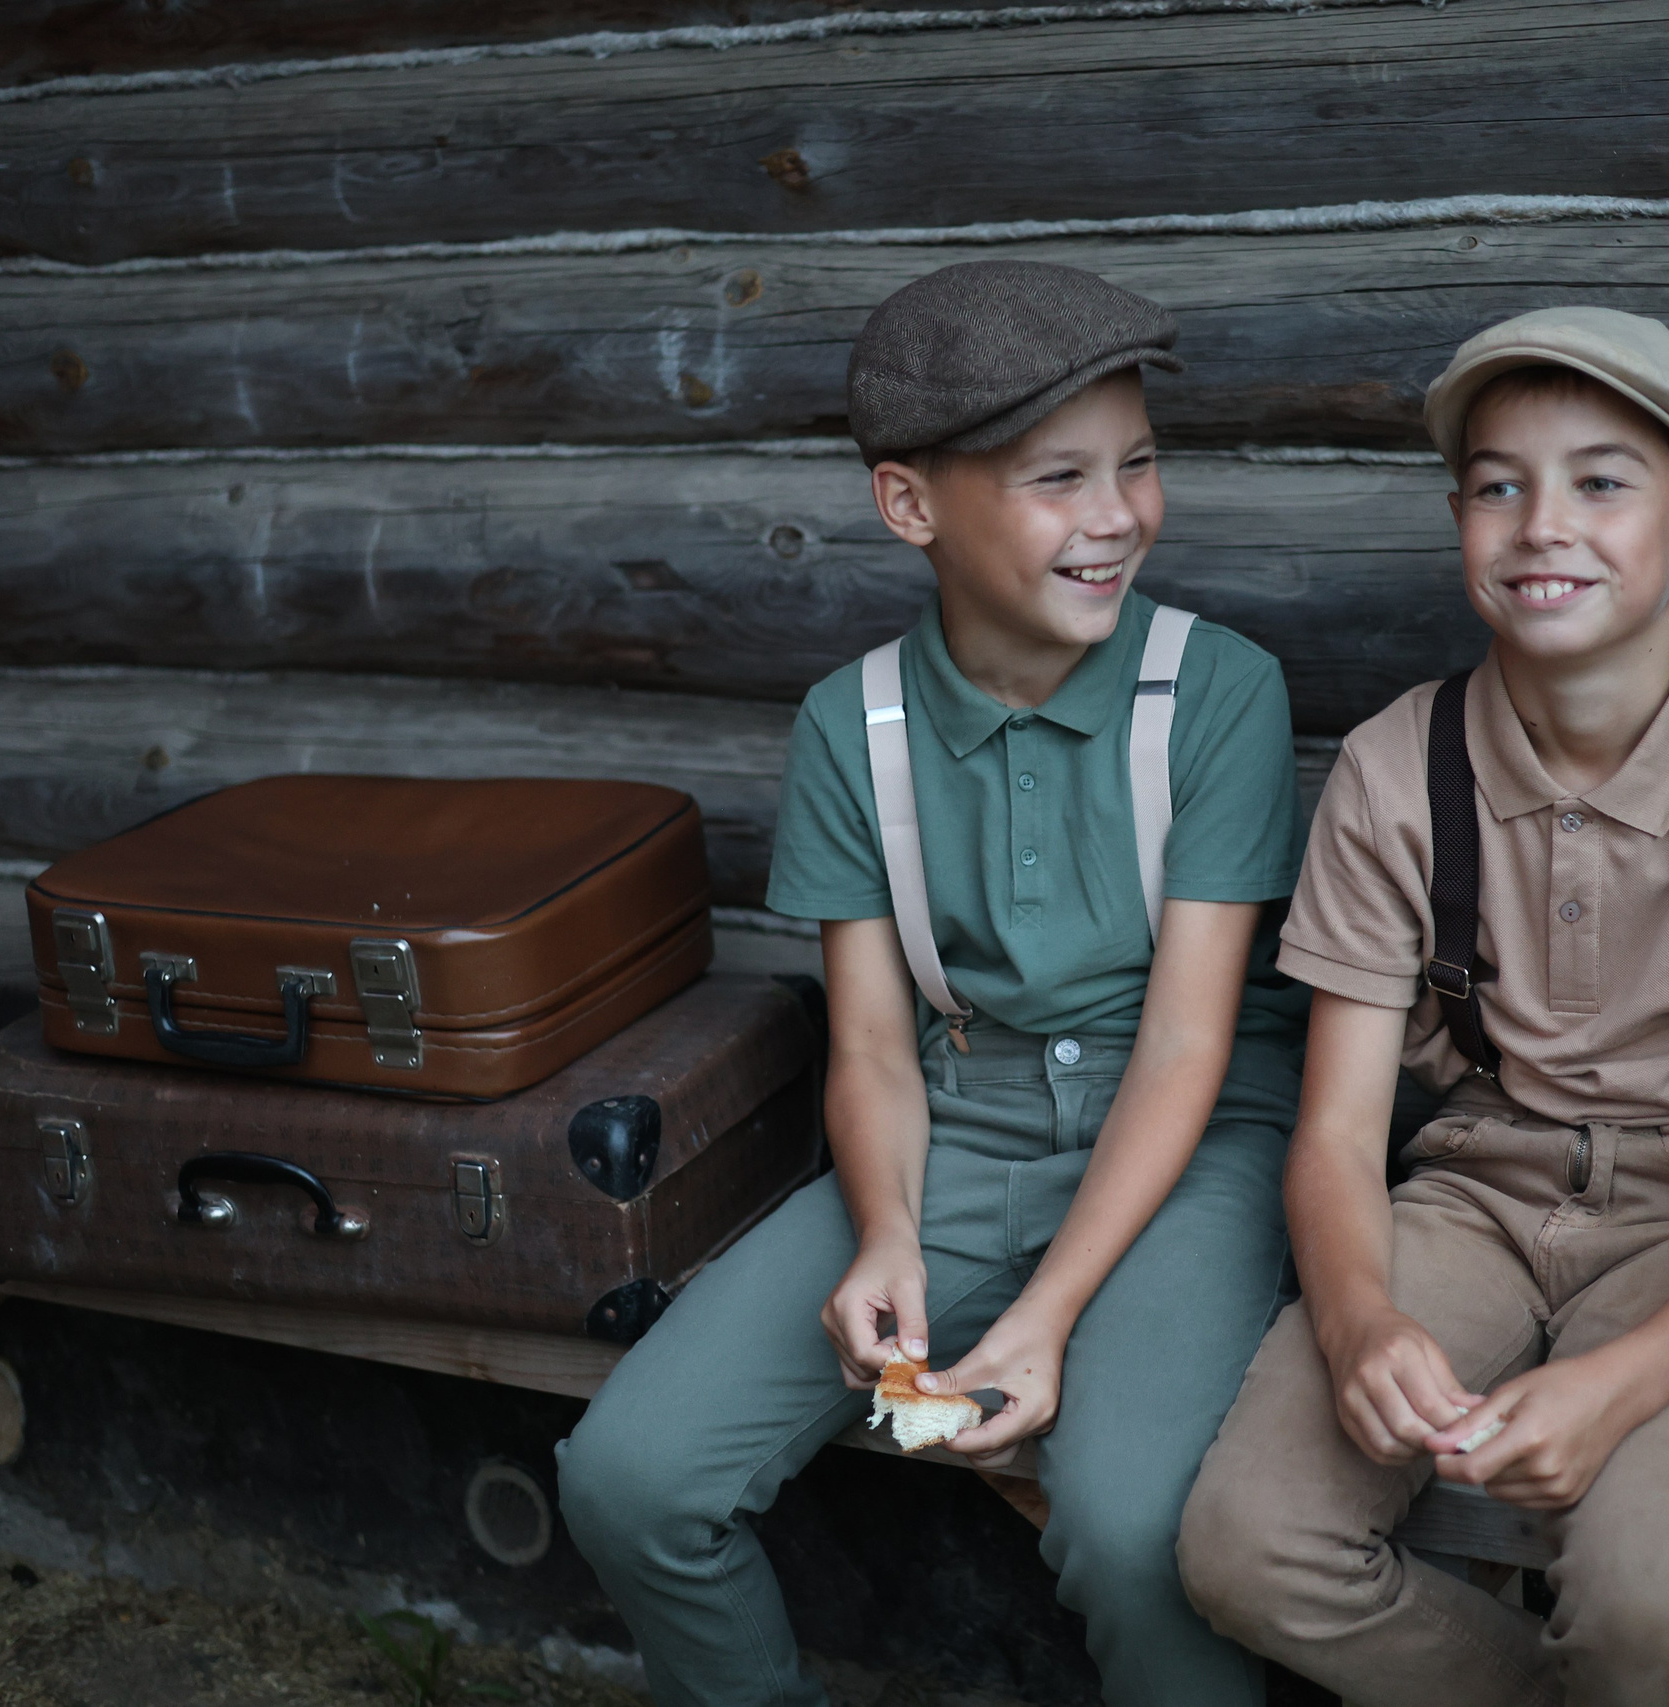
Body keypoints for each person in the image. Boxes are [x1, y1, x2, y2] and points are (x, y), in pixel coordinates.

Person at [557, 260, 1309, 1707]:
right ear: (911, 506)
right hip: (957, 1131)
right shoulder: (855, 727)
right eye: (1058, 478)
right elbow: (872, 1049)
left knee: (1134, 1533)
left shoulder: (1215, 694)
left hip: (1192, 1142)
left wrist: (1048, 1315)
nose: (1116, 515)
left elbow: (1187, 1047)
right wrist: (887, 1237)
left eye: (1137, 464)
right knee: (632, 1478)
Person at [1178, 306, 1669, 1707]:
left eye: (1601, 482)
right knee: (1251, 1548)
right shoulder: (1395, 771)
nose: (1541, 526)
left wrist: (1614, 1387)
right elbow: (1337, 1138)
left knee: (1644, 1610)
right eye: (1499, 486)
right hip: (1471, 1206)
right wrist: (1361, 1323)